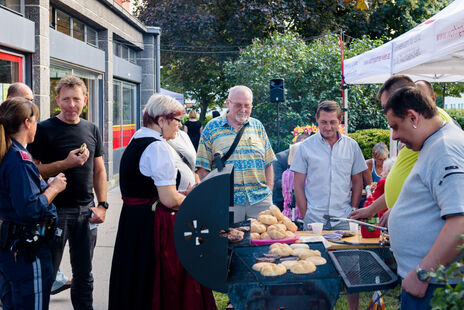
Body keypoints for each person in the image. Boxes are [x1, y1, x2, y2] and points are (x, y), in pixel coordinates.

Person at [108, 94, 216, 310]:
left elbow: (151, 190)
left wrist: (179, 194)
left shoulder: (137, 138)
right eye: (176, 120)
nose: (179, 126)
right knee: (161, 283)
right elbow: (167, 199)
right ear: (161, 120)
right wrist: (192, 201)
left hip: (133, 222)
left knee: (135, 280)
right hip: (153, 227)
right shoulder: (157, 147)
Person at [27, 75, 107, 310]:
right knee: (47, 275)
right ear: (57, 100)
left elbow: (99, 170)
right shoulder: (43, 130)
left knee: (84, 274)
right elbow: (34, 171)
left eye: (76, 99)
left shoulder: (91, 128)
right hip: (54, 212)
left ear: (85, 99)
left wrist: (102, 204)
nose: (71, 105)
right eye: (66, 99)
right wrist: (66, 163)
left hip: (86, 212)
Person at [383, 86, 464, 309]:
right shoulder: (434, 143)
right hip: (430, 282)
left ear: (413, 117)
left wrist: (422, 274)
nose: (395, 136)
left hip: (434, 285)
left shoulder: (445, 148)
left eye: (395, 127)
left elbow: (460, 223)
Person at [350, 75, 455, 226]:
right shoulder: (421, 133)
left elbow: (450, 210)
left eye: (388, 106)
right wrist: (373, 209)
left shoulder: (437, 132)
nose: (393, 136)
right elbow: (410, 184)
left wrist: (399, 208)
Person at [4, 82, 73, 296]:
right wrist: (53, 189)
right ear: (27, 123)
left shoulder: (10, 153)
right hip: (24, 248)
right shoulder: (19, 159)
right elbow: (29, 209)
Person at [196, 85, 276, 223]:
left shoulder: (258, 126)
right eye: (238, 105)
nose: (243, 110)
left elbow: (268, 162)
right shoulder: (212, 128)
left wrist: (268, 190)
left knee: (262, 242)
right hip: (227, 202)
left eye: (247, 105)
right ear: (228, 103)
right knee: (227, 242)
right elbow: (202, 168)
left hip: (260, 201)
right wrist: (213, 198)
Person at [273, 133, 310, 211]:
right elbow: (277, 181)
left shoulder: (310, 158)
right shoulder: (280, 157)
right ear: (294, 144)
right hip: (282, 202)